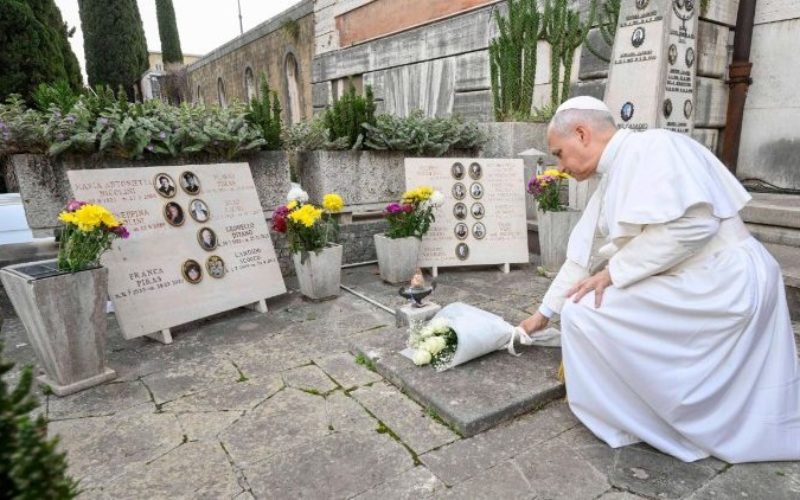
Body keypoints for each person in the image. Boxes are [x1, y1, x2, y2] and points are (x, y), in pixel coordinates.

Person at [518, 95, 799, 464]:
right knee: (582, 307)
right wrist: (543, 314)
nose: (561, 166)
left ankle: (639, 414)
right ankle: (644, 407)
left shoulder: (654, 146)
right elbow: (580, 258)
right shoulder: (616, 172)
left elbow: (697, 222)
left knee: (587, 313)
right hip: (704, 278)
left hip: (724, 281)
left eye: (558, 153)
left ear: (583, 134)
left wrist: (614, 272)